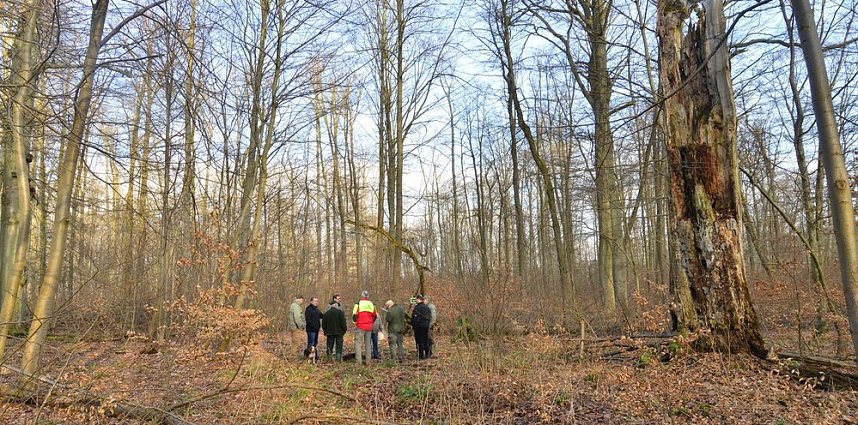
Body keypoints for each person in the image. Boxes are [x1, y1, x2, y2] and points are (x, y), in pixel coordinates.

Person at [352, 290, 377, 365]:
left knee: (358, 344)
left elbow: (354, 315)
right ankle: (368, 361)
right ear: (368, 296)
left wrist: (355, 323)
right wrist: (371, 322)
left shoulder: (358, 303)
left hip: (360, 326)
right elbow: (375, 315)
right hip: (369, 326)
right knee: (368, 344)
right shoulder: (372, 304)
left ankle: (358, 362)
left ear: (362, 295)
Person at [411, 294, 432, 360]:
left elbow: (415, 319)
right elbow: (430, 317)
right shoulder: (427, 307)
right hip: (426, 326)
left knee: (420, 341)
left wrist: (414, 326)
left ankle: (421, 355)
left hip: (419, 327)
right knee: (426, 340)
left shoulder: (417, 308)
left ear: (418, 299)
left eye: (416, 299)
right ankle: (428, 354)